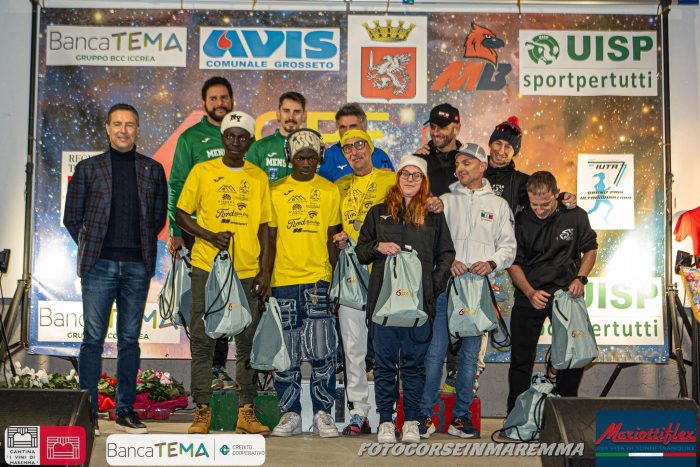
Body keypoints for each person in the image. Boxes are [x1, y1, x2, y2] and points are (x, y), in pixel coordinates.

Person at [64, 103, 168, 436]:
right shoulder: (88, 169)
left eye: (130, 125)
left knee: (129, 341)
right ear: (107, 128)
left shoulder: (152, 170)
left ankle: (124, 411)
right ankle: (89, 413)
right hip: (99, 266)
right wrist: (94, 246)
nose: (124, 130)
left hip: (137, 266)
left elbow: (157, 218)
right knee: (92, 340)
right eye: (118, 124)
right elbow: (72, 217)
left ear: (138, 130)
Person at [175, 111, 272, 435]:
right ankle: (201, 410)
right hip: (207, 267)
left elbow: (265, 228)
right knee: (202, 340)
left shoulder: (258, 177)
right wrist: (207, 235)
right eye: (230, 136)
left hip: (246, 271)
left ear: (249, 141)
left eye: (242, 137)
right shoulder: (203, 171)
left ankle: (246, 411)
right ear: (222, 138)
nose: (235, 142)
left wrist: (265, 273)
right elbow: (181, 213)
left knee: (247, 341)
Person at [419, 143, 516, 439]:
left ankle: (461, 418)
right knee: (435, 353)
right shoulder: (444, 201)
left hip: (477, 289)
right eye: (458, 164)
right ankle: (424, 415)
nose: (460, 168)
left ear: (482, 165)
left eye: (467, 163)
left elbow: (508, 248)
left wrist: (491, 262)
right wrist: (448, 262)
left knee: (470, 357)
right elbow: (429, 243)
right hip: (445, 286)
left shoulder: (498, 205)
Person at [356, 155, 455, 444]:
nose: (409, 179)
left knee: (414, 366)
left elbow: (446, 255)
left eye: (416, 175)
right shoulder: (378, 213)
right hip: (384, 305)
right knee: (385, 365)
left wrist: (432, 287)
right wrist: (378, 246)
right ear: (397, 178)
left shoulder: (433, 215)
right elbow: (361, 251)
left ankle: (411, 420)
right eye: (405, 174)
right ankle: (385, 421)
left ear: (424, 181)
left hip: (419, 308)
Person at [268, 129, 342, 438]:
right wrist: (264, 278)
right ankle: (291, 413)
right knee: (286, 353)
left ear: (319, 158)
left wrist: (335, 282)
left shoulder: (329, 191)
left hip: (318, 282)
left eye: (312, 157)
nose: (306, 162)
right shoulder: (274, 191)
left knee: (323, 351)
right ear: (290, 158)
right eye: (300, 157)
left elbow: (333, 238)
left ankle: (323, 413)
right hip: (283, 281)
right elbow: (269, 239)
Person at [507, 171, 598, 413]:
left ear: (557, 194)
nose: (540, 209)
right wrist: (529, 292)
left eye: (546, 204)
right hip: (530, 294)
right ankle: (515, 416)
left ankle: (567, 412)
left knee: (573, 356)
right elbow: (513, 263)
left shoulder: (575, 215)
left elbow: (590, 249)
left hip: (566, 296)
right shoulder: (521, 220)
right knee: (521, 360)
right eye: (535, 204)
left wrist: (581, 277)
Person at [167, 76, 235, 389]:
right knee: (204, 304)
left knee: (230, 301)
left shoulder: (241, 134)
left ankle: (224, 368)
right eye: (214, 98)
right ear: (204, 103)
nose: (219, 103)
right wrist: (176, 229)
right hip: (199, 234)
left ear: (232, 101)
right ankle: (207, 371)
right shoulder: (191, 138)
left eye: (224, 98)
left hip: (238, 234)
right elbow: (177, 186)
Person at [331, 129, 396, 436]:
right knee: (353, 345)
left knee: (387, 346)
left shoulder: (390, 179)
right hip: (351, 272)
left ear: (370, 148)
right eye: (347, 148)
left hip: (384, 270)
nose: (354, 151)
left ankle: (388, 412)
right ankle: (359, 412)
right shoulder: (339, 186)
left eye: (359, 145)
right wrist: (339, 240)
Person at [317, 103, 394, 182]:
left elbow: (394, 190)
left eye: (353, 126)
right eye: (343, 127)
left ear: (364, 126)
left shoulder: (380, 155)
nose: (348, 131)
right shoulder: (328, 157)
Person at [246, 91, 306, 182]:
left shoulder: (312, 150)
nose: (291, 117)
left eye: (296, 112)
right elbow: (248, 184)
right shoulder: (258, 147)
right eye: (286, 111)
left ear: (304, 116)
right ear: (278, 114)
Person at [414, 103, 462, 197]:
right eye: (432, 127)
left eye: (442, 127)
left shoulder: (469, 161)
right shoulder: (420, 159)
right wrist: (415, 162)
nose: (435, 133)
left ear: (457, 129)